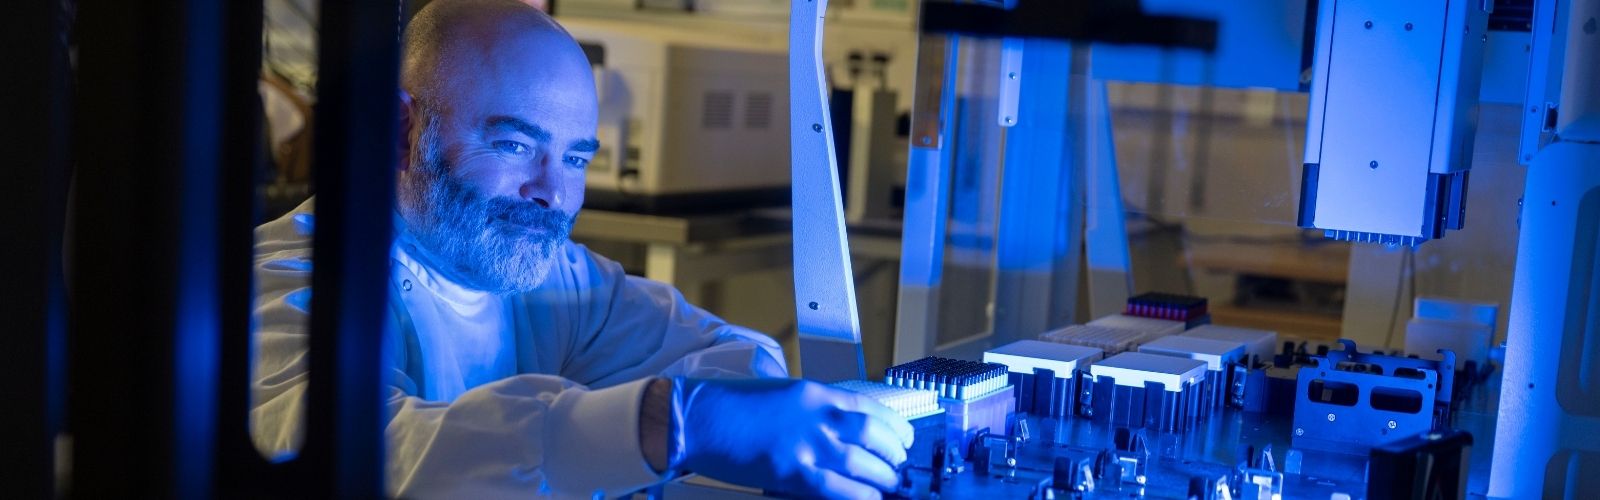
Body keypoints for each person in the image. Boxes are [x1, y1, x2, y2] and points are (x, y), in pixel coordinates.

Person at [248, 0, 913, 498]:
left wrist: (762, 410)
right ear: (400, 131)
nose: (552, 193)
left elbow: (724, 352)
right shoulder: (286, 282)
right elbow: (364, 455)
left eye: (574, 159)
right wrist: (666, 422)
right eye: (514, 146)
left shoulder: (553, 280)